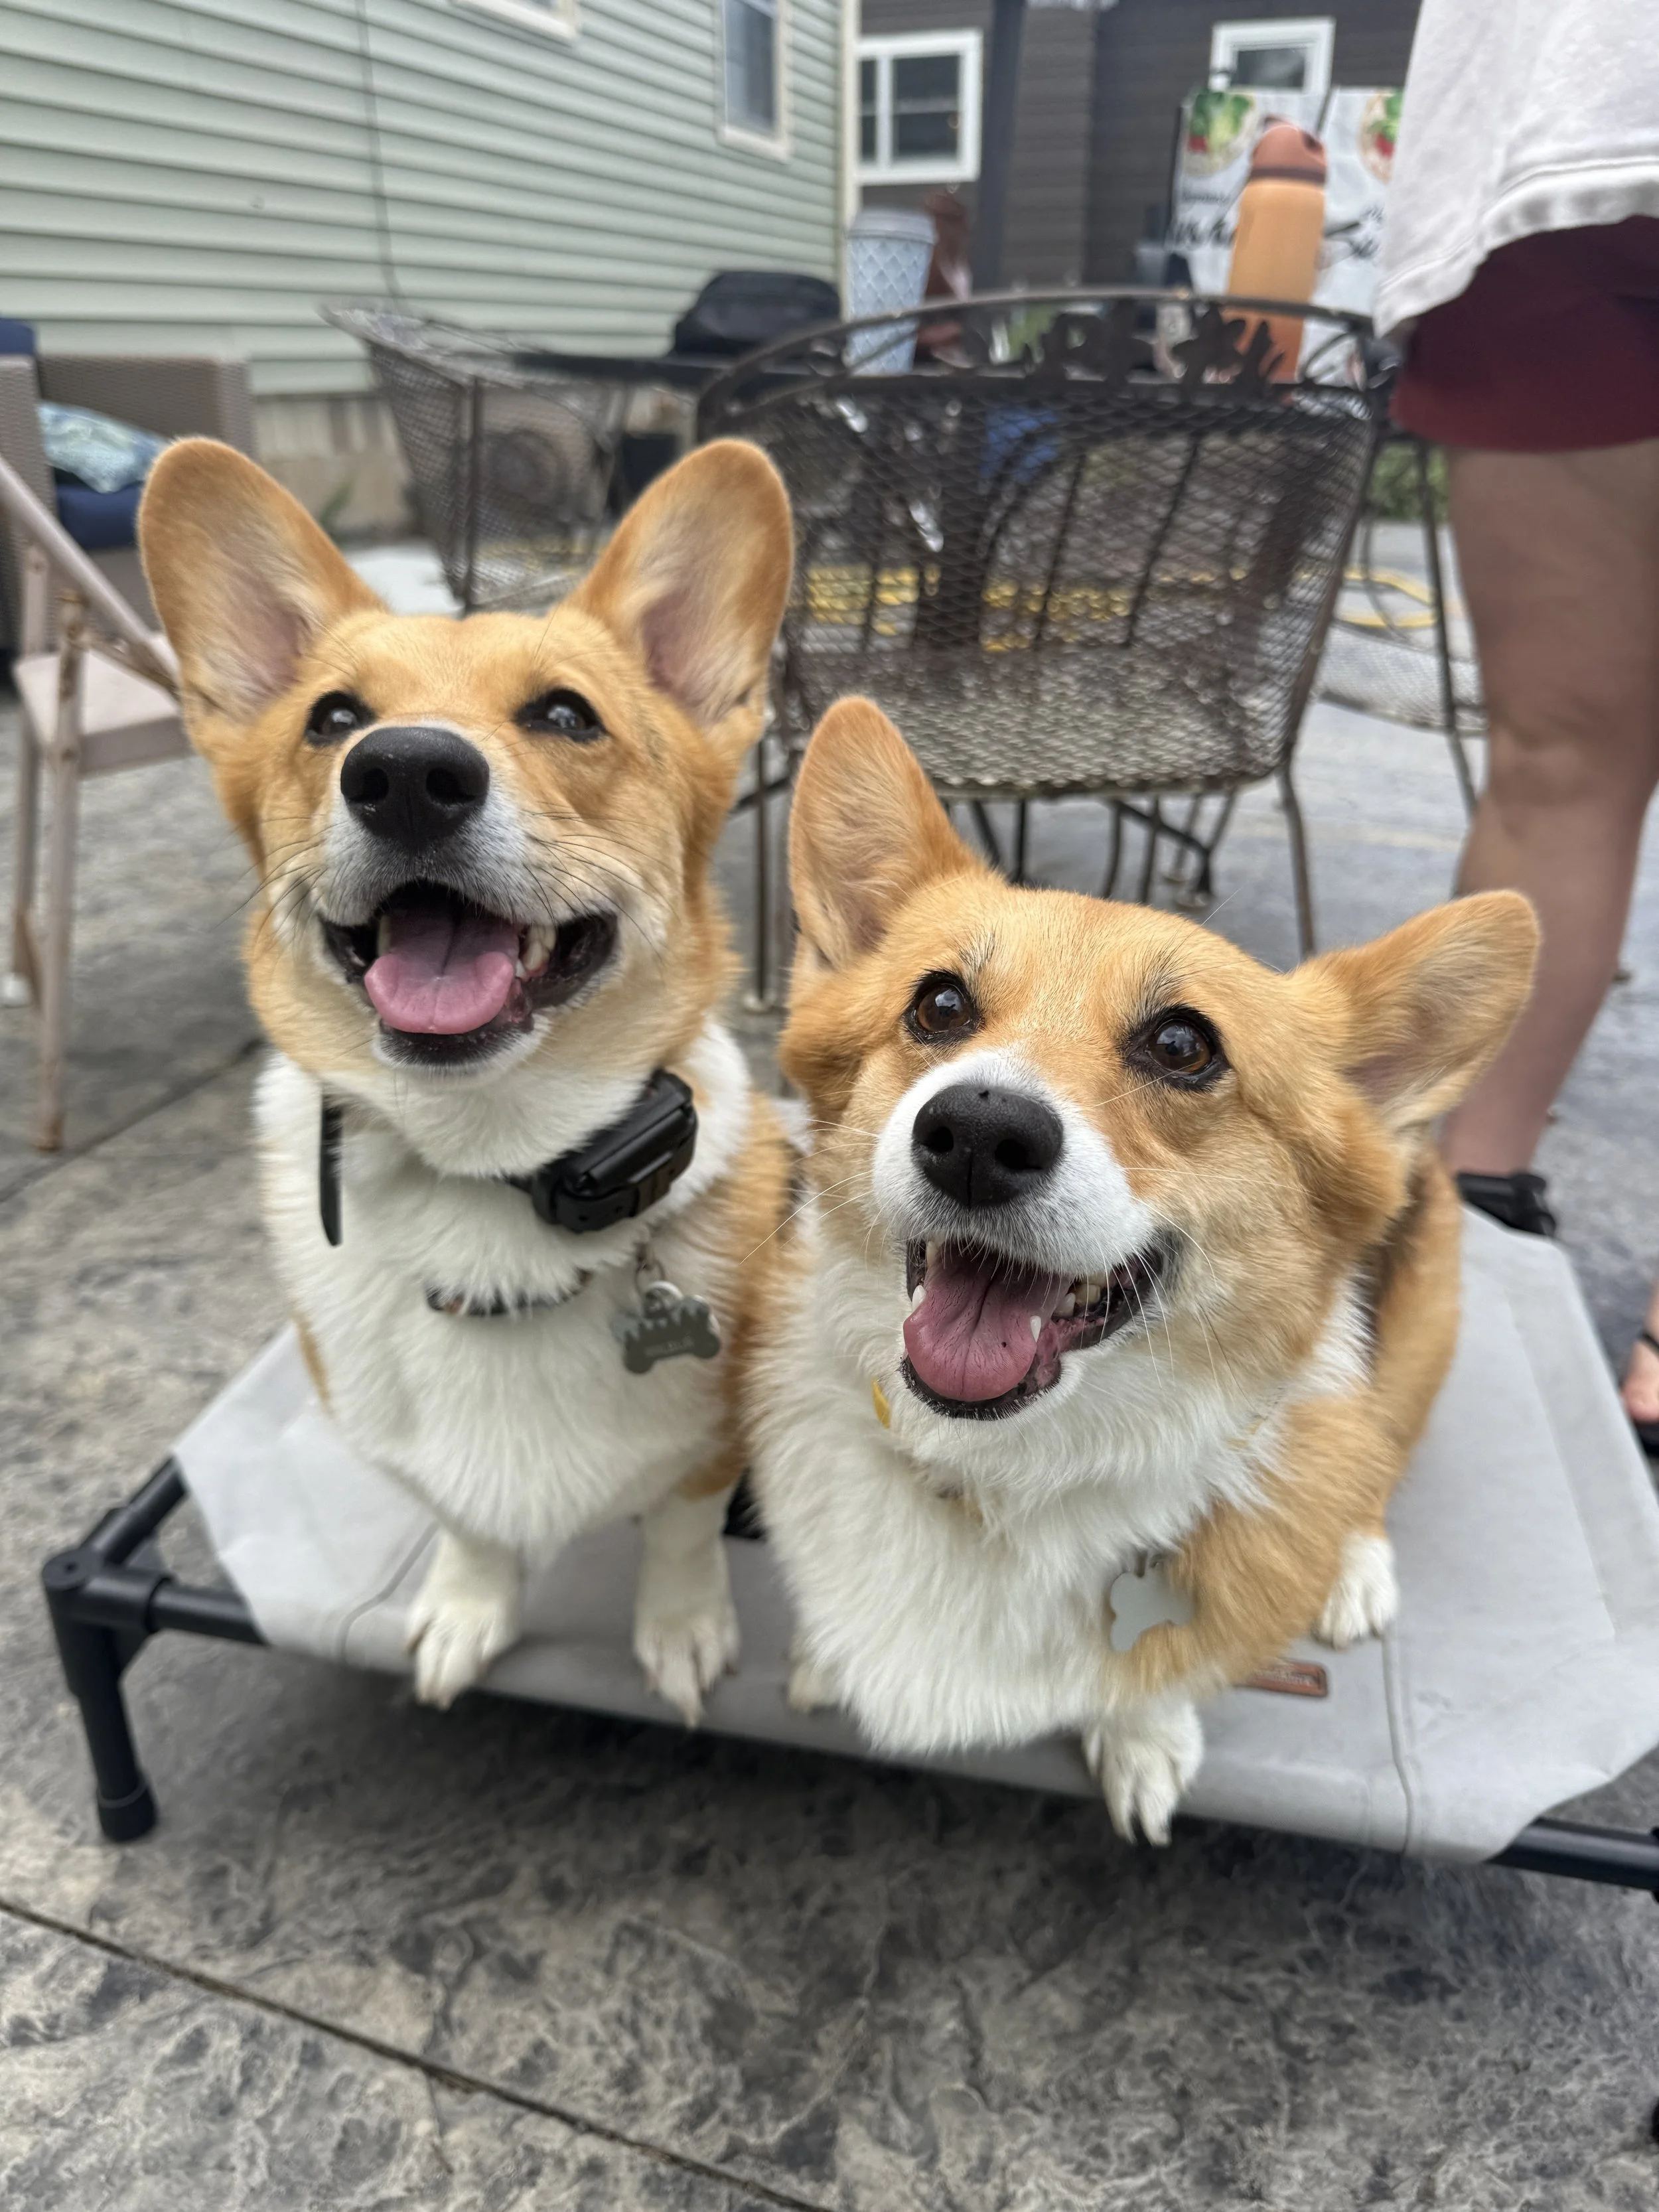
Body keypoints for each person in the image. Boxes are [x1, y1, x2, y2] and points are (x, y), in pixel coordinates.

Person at [1376, 0, 1659, 1451]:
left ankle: (1457, 1214)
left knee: (1555, 764)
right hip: (1556, 131)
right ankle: (1453, 1220)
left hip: (1558, 126)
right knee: (1552, 754)